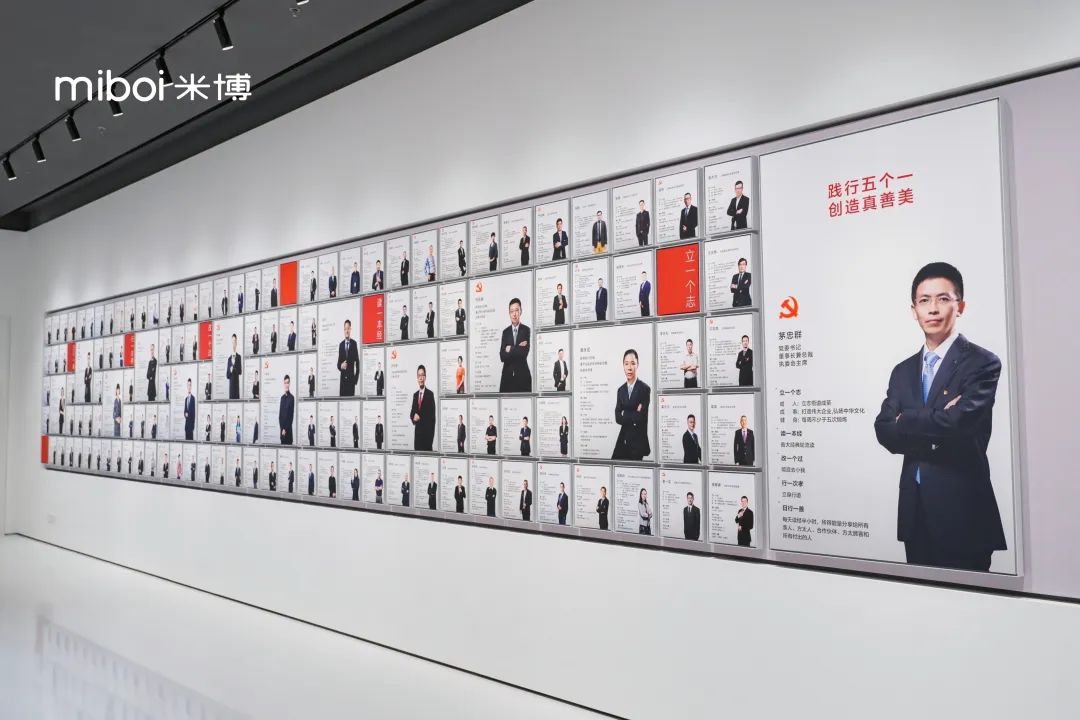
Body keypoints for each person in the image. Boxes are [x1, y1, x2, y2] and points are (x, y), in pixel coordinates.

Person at [874, 261, 1006, 571]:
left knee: (968, 601)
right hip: (915, 512)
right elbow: (883, 430)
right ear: (914, 310)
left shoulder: (982, 363)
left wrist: (906, 421)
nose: (933, 309)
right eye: (924, 300)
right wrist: (935, 426)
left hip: (964, 514)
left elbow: (960, 423)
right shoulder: (903, 371)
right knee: (918, 599)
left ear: (961, 306)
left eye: (943, 299)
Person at [613, 349, 651, 461]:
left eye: (633, 363)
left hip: (637, 442)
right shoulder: (621, 390)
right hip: (623, 438)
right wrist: (633, 412)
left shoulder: (644, 389)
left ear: (637, 365)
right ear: (623, 366)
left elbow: (640, 417)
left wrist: (625, 413)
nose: (629, 368)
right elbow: (617, 417)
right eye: (626, 364)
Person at [499, 297, 532, 392]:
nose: (514, 314)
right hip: (507, 378)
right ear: (509, 313)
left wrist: (509, 349)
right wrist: (517, 348)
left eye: (516, 310)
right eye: (511, 311)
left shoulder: (526, 330)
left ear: (521, 311)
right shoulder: (505, 332)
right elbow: (502, 356)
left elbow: (524, 353)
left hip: (523, 378)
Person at [410, 364, 436, 451]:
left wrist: (430, 441)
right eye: (419, 376)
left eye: (422, 375)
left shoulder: (430, 394)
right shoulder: (415, 395)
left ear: (425, 377)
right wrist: (413, 417)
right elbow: (412, 413)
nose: (420, 378)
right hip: (417, 440)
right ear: (417, 378)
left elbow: (433, 420)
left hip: (427, 441)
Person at [337, 319, 360, 396]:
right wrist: (341, 366)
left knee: (351, 403)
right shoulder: (341, 345)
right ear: (344, 330)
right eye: (345, 329)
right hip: (342, 383)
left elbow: (358, 363)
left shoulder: (354, 344)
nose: (346, 331)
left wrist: (355, 380)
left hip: (351, 383)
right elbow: (338, 364)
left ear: (350, 329)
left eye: (348, 329)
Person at [279, 375, 294, 444]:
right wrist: (282, 429)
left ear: (289, 384)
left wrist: (285, 429)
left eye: (287, 382)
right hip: (282, 433)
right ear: (283, 384)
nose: (286, 384)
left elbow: (291, 417)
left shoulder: (292, 398)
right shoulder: (282, 398)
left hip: (288, 433)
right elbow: (280, 416)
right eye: (285, 383)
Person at [226, 334, 242, 399]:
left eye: (234, 341)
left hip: (236, 388)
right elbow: (227, 375)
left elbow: (240, 371)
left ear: (236, 343)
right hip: (231, 389)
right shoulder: (229, 359)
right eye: (232, 341)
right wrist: (230, 370)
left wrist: (234, 368)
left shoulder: (239, 357)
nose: (233, 344)